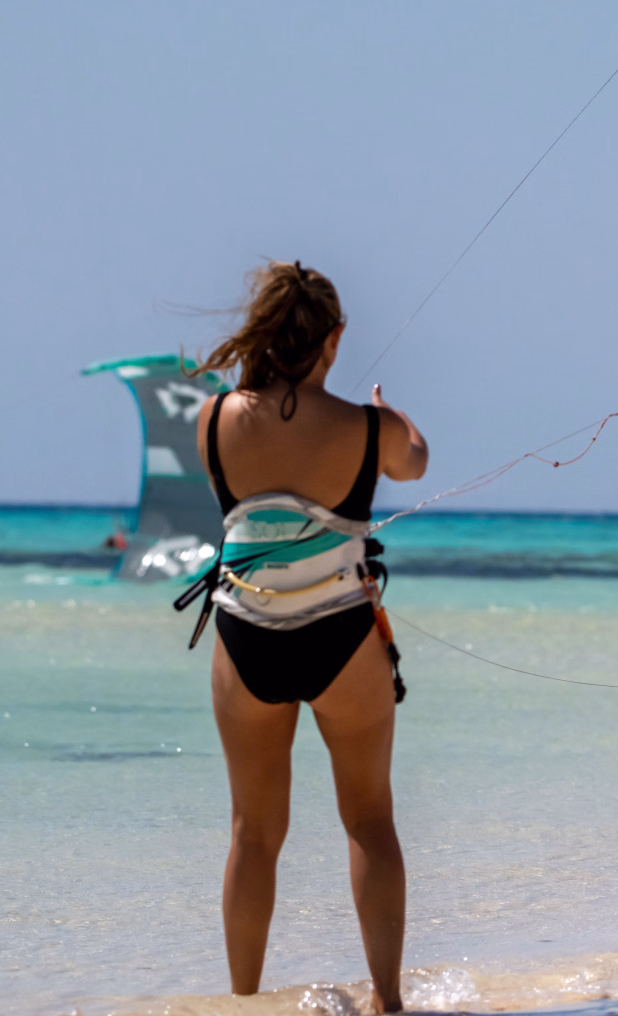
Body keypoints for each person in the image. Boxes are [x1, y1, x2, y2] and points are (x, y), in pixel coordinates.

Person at [191, 261, 429, 1009]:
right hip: (343, 641)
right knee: (369, 820)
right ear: (336, 337)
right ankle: (388, 1003)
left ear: (261, 332)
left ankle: (244, 1005)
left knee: (253, 834)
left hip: (246, 638)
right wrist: (390, 414)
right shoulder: (368, 427)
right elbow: (416, 463)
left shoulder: (213, 419)